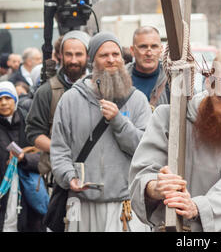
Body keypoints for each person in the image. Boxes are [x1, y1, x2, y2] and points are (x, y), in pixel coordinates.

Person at [129, 49, 221, 232]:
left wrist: (197, 208)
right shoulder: (168, 118)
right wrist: (155, 187)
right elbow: (142, 172)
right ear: (209, 83)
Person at [50, 31, 151, 232]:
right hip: (80, 202)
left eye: (116, 54)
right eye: (104, 55)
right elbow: (59, 150)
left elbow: (145, 149)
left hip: (125, 204)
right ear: (92, 60)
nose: (111, 60)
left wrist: (118, 122)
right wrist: (69, 177)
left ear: (123, 59)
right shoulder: (70, 100)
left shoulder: (138, 100)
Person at [26, 31, 90, 188]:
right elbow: (34, 133)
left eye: (79, 54)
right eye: (69, 54)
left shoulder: (100, 87)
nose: (73, 60)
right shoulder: (47, 91)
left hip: (95, 175)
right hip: (58, 179)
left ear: (88, 56)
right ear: (60, 55)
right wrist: (63, 151)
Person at [0, 81, 45, 232]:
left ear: (15, 99)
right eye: (0, 99)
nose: (4, 103)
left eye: (8, 98)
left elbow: (44, 158)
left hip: (27, 190)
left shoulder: (29, 123)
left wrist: (24, 158)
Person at [127, 26, 169, 109]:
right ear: (132, 50)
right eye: (143, 47)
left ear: (161, 49)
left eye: (154, 47)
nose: (149, 53)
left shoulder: (172, 79)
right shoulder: (119, 79)